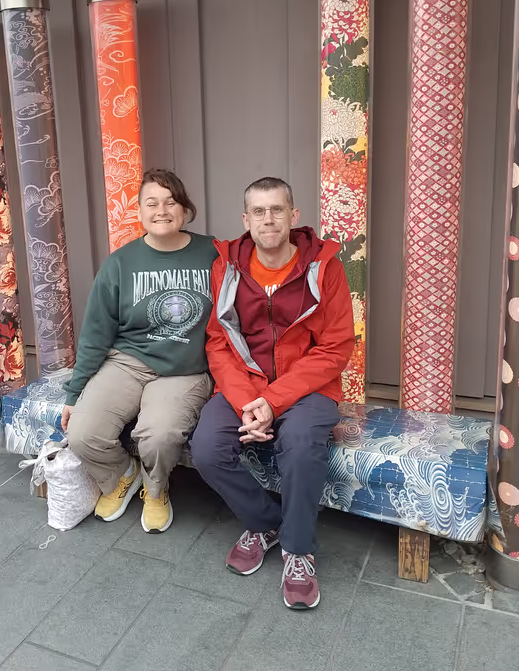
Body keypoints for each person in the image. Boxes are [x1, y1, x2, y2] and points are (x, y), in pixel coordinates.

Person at [190, 176, 354, 610]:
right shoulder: (227, 267)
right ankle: (265, 523)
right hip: (246, 383)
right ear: (246, 219)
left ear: (294, 215)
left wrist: (274, 400)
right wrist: (247, 401)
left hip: (308, 388)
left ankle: (298, 551)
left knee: (300, 445)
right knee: (206, 447)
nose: (269, 219)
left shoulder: (325, 267)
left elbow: (337, 347)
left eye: (277, 209)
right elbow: (218, 342)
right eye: (259, 211)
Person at [62, 169, 216, 533]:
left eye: (170, 201)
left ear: (185, 208)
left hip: (184, 369)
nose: (161, 210)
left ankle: (157, 488)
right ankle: (122, 474)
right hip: (129, 362)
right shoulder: (120, 263)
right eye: (152, 203)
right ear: (140, 211)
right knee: (82, 433)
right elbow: (96, 333)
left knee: (159, 434)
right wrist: (74, 392)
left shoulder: (214, 253)